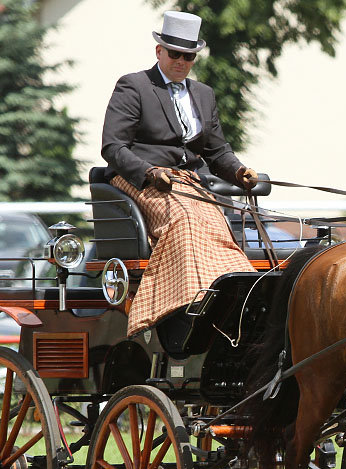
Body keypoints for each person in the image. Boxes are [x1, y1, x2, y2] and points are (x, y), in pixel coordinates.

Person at [101, 10, 259, 336]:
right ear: (159, 51)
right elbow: (113, 147)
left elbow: (217, 151)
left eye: (189, 56)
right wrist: (148, 172)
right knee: (184, 220)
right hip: (136, 179)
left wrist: (239, 170)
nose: (181, 61)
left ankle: (232, 296)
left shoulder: (203, 94)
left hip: (186, 181)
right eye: (175, 54)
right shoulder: (134, 86)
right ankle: (183, 302)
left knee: (218, 225)